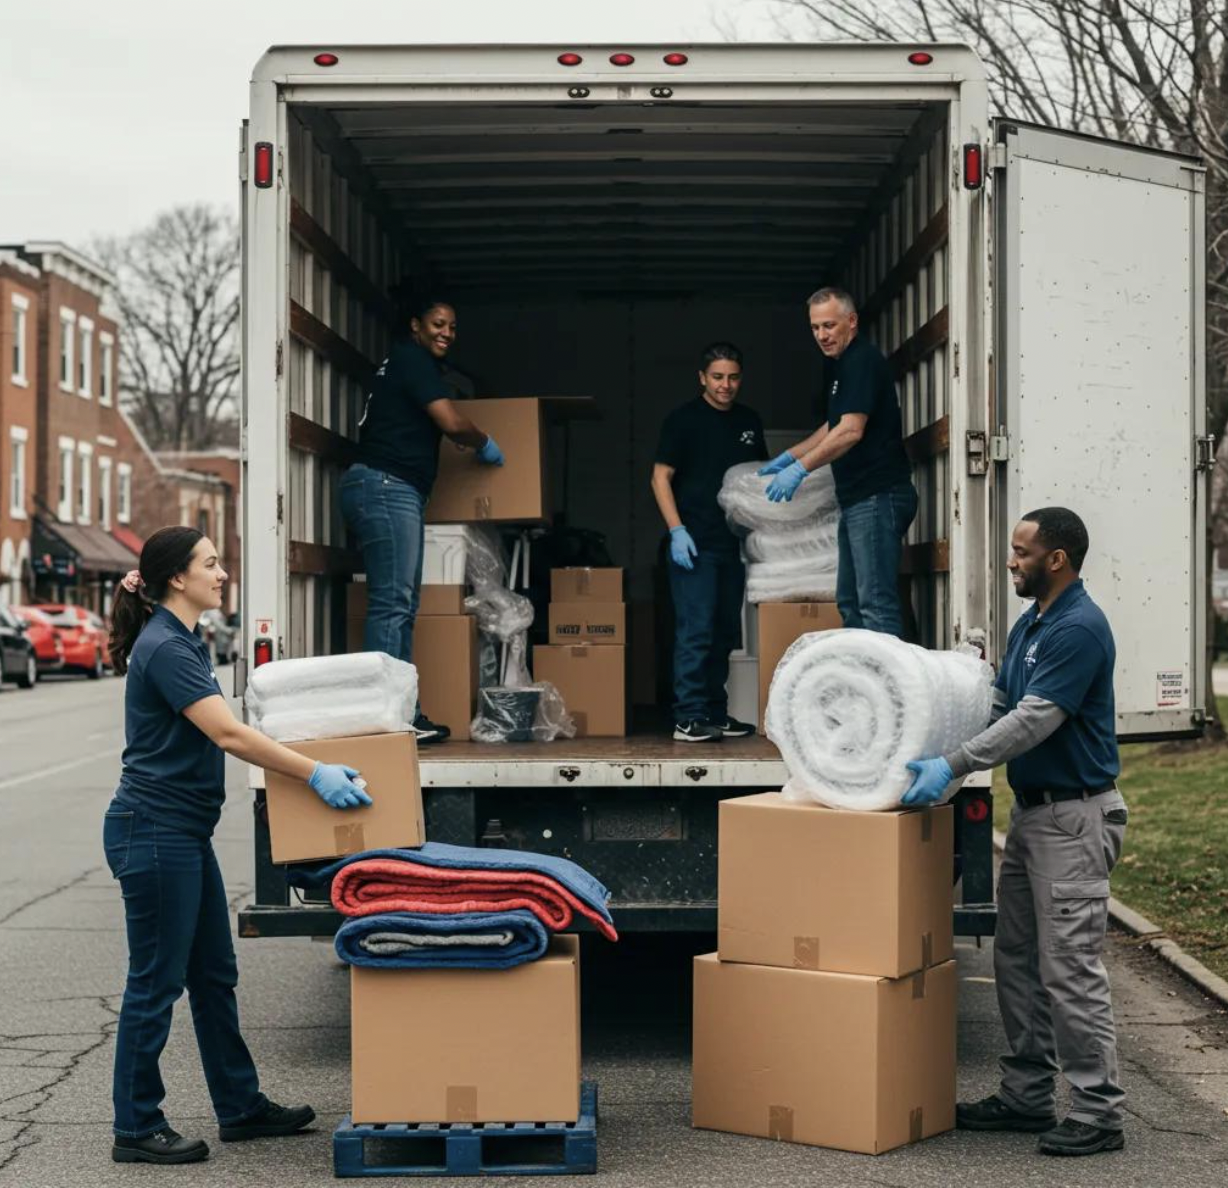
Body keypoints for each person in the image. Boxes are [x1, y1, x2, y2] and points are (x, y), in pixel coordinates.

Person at [104, 527, 371, 1165]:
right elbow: (228, 734)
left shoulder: (183, 639)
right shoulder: (165, 646)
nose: (222, 573)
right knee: (156, 981)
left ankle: (240, 1107)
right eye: (211, 564)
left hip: (181, 832)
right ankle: (135, 1126)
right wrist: (313, 772)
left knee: (213, 974)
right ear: (177, 578)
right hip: (154, 829)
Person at [901, 507, 1127, 1158]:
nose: (1011, 561)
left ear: (1056, 559)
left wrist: (957, 764)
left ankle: (1098, 1110)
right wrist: (942, 743)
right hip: (1034, 814)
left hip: (1075, 817)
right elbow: (1000, 705)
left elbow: (1034, 721)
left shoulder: (1079, 628)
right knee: (1016, 962)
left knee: (1070, 970)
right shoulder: (1033, 624)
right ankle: (1028, 1097)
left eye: (1021, 552)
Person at [340, 296, 504, 744]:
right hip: (387, 487)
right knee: (393, 604)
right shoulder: (413, 361)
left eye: (452, 326)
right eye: (438, 323)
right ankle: (387, 716)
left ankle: (402, 712)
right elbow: (449, 421)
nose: (446, 332)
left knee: (400, 604)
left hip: (386, 487)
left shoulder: (403, 363)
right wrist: (484, 440)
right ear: (416, 325)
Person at [758, 287, 917, 637]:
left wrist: (801, 470)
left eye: (829, 325)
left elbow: (850, 431)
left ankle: (889, 689)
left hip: (878, 494)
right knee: (849, 602)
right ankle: (865, 685)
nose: (821, 335)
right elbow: (834, 425)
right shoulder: (842, 365)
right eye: (815, 328)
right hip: (860, 499)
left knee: (874, 605)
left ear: (852, 321)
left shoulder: (861, 360)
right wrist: (790, 456)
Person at [652, 342, 767, 742]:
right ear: (702, 377)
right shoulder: (682, 420)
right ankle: (688, 716)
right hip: (693, 543)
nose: (726, 385)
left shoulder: (749, 420)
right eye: (717, 377)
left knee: (723, 632)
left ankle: (716, 713)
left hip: (730, 545)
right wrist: (676, 531)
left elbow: (755, 481)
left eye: (733, 377)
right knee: (696, 630)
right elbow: (660, 477)